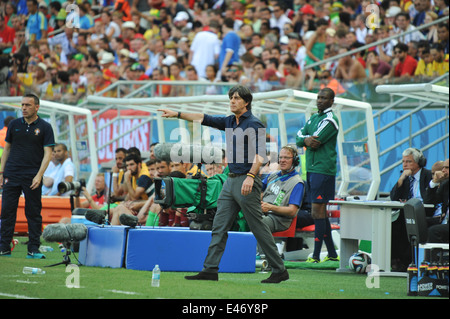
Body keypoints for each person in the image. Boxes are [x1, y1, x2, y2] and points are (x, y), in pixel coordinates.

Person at [158, 85, 289, 284]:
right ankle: (210, 269)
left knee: (258, 227)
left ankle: (279, 270)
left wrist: (251, 176)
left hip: (247, 181)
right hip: (230, 181)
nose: (232, 101)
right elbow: (203, 118)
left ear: (246, 102)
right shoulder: (229, 121)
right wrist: (177, 114)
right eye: (230, 98)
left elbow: (261, 154)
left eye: (236, 98)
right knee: (218, 226)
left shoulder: (255, 124)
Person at [0, 93, 55, 258]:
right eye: (22, 105)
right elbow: (7, 149)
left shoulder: (45, 127)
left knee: (33, 212)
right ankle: (3, 247)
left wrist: (39, 175)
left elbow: (48, 154)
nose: (23, 108)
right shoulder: (14, 125)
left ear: (37, 107)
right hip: (12, 174)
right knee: (7, 211)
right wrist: (1, 172)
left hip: (32, 176)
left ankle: (33, 249)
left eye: (27, 105)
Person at [296, 88, 339, 263]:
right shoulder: (314, 117)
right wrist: (305, 139)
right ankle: (332, 253)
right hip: (313, 170)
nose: (320, 100)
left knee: (317, 211)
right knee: (319, 211)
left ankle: (315, 255)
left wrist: (305, 140)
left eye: (324, 98)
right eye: (318, 97)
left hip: (323, 170)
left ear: (331, 101)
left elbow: (315, 140)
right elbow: (299, 136)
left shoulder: (330, 120)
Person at [389, 147, 432, 271]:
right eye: (403, 162)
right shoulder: (405, 177)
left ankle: (406, 261)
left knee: (403, 222)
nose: (405, 165)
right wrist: (401, 179)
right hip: (407, 212)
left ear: (419, 163)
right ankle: (396, 260)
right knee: (393, 224)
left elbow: (431, 198)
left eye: (409, 162)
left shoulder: (428, 175)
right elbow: (394, 197)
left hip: (424, 211)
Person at [261, 145, 304, 233]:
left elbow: (292, 211)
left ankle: (264, 247)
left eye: (286, 158)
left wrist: (270, 207)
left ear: (295, 161)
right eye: (280, 157)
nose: (282, 160)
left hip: (278, 220)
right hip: (263, 213)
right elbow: (259, 192)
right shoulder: (272, 175)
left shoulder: (297, 183)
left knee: (259, 223)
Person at [425, 158, 449, 243]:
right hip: (444, 221)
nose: (443, 170)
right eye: (443, 168)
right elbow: (429, 202)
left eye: (447, 168)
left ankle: (436, 256)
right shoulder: (446, 185)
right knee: (420, 222)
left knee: (434, 230)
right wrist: (434, 182)